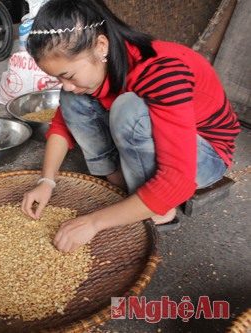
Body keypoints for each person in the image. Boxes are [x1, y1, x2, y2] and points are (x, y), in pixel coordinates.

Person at [20, 0, 241, 252]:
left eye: (68, 75)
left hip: (205, 152)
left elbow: (179, 179)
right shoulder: (103, 65)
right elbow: (62, 124)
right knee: (71, 98)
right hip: (163, 138)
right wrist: (46, 181)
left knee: (130, 110)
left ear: (101, 46)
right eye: (58, 77)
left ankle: (160, 210)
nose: (66, 83)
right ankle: (117, 179)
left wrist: (93, 223)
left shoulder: (163, 71)